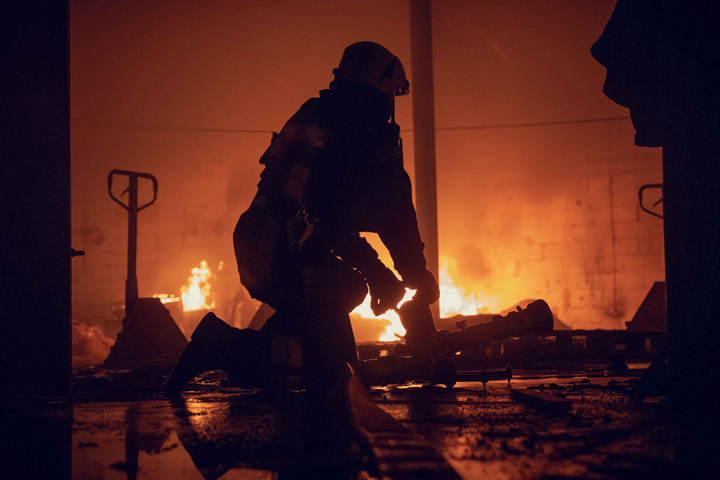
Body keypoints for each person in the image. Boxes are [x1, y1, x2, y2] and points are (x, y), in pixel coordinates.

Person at [166, 41, 439, 394]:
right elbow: (393, 221)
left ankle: (259, 355)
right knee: (336, 371)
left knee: (350, 289)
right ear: (381, 95)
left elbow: (325, 221)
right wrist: (418, 278)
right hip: (287, 256)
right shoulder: (364, 144)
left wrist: (377, 273)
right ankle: (224, 346)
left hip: (264, 244)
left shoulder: (321, 121)